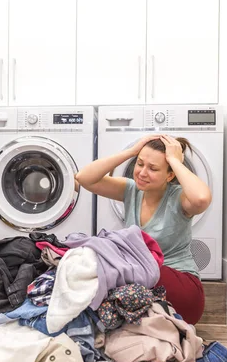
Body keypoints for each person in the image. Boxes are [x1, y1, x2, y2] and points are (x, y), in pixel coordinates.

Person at [75, 134, 211, 324]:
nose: (142, 173)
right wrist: (130, 152)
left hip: (179, 288)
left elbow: (201, 198)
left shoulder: (180, 198)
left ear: (170, 174)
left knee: (120, 271)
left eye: (153, 168)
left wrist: (174, 160)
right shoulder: (131, 190)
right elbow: (84, 178)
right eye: (140, 164)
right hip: (143, 287)